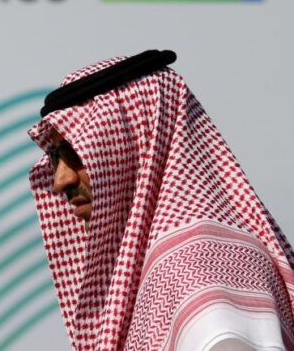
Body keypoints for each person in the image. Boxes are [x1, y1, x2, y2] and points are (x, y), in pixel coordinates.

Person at [28, 51, 294, 350]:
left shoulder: (196, 272)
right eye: (55, 158)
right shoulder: (166, 266)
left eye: (76, 154)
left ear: (129, 146)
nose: (61, 180)